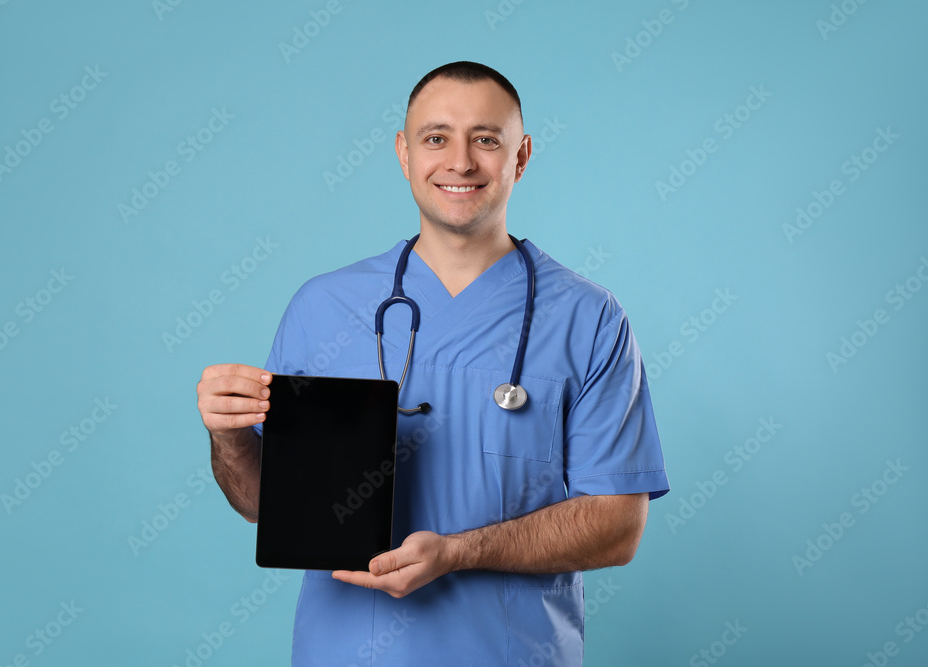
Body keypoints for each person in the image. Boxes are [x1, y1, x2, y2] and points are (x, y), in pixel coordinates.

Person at [197, 61, 669, 666]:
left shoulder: (590, 319)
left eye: (487, 139)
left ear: (520, 157)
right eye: (437, 137)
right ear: (404, 152)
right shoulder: (323, 306)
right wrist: (228, 438)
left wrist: (459, 552)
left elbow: (618, 525)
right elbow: (265, 506)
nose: (461, 161)